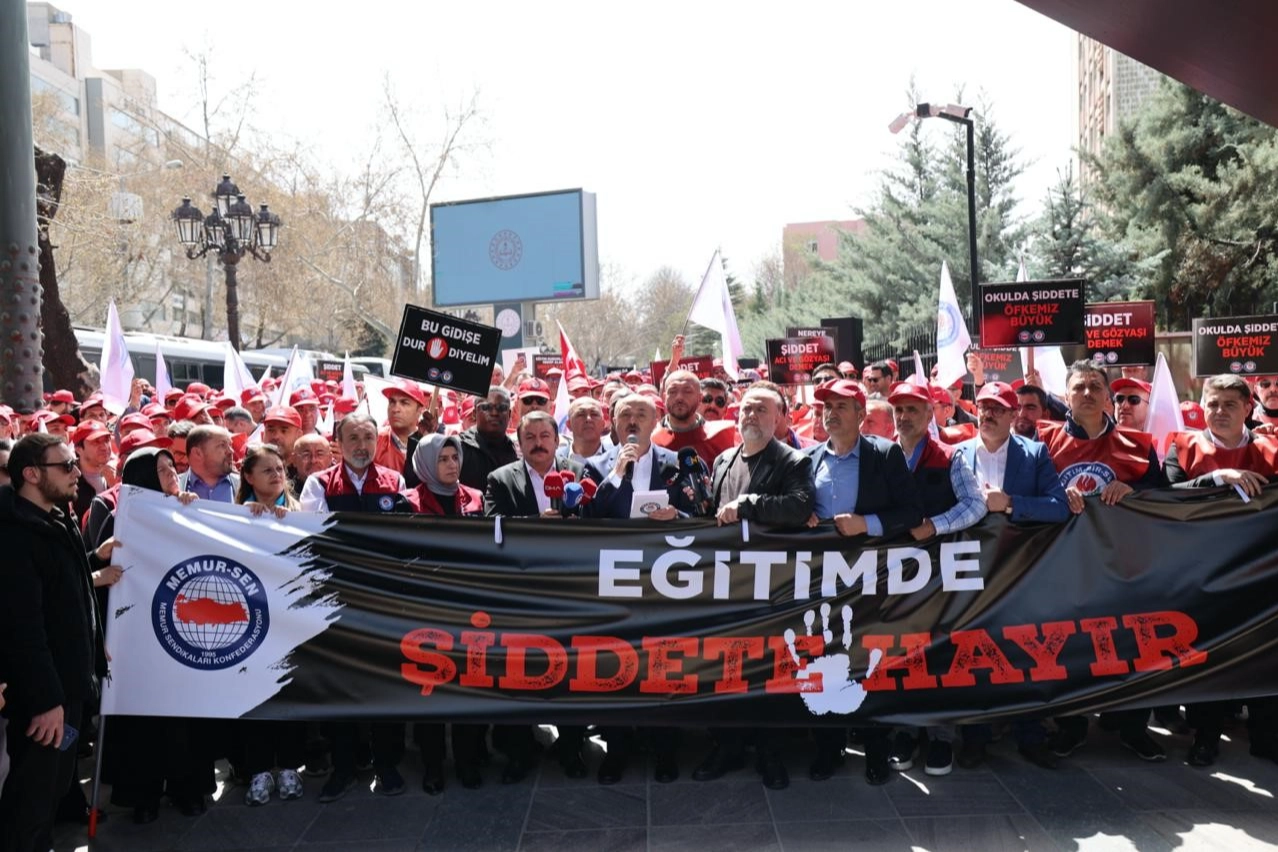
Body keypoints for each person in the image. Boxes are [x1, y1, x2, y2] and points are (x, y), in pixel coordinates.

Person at [1039, 361, 1166, 762]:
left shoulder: (1139, 445)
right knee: (1070, 648)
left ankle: (1132, 726)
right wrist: (1056, 497)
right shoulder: (1042, 442)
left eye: (1096, 386)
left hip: (1123, 565)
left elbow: (1165, 498)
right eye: (1079, 387)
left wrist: (1135, 490)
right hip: (1065, 568)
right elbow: (1027, 495)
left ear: (1108, 396)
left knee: (1133, 645)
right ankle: (1071, 726)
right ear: (1066, 395)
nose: (1088, 394)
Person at [694, 385, 814, 791]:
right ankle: (727, 746)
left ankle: (770, 753)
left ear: (779, 418)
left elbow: (799, 506)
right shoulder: (723, 460)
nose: (751, 415)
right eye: (746, 408)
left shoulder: (793, 460)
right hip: (727, 588)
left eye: (761, 409)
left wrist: (749, 505)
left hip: (772, 590)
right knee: (726, 670)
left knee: (770, 673)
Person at [804, 379, 923, 786]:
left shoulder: (884, 454)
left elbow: (912, 511)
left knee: (870, 665)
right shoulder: (810, 458)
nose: (832, 413)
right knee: (824, 662)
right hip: (821, 583)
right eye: (827, 406)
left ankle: (875, 750)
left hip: (872, 581)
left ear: (860, 415)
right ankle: (828, 748)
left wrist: (866, 524)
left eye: (841, 406)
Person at [0, 434, 110, 850]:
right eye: (65, 465)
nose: (76, 472)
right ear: (31, 474)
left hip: (70, 687)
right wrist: (47, 702)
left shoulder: (57, 518)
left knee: (55, 785)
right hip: (44, 699)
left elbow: (72, 594)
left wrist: (94, 647)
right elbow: (22, 628)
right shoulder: (13, 536)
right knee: (33, 794)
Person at [1163, 374, 1278, 766]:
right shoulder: (1182, 447)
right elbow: (1164, 499)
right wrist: (1216, 478)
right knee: (1206, 660)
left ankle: (1266, 736)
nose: (1219, 411)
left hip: (1262, 576)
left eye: (1230, 404)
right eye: (1212, 403)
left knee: (1265, 656)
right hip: (1203, 576)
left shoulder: (1273, 449)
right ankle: (1206, 737)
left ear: (1248, 407)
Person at [953, 382, 1070, 769]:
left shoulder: (1034, 454)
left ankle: (1030, 736)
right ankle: (974, 737)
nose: (987, 414)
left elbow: (1058, 507)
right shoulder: (956, 453)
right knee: (972, 656)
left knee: (1025, 654)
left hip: (1020, 573)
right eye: (983, 407)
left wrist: (1010, 504)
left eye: (997, 408)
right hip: (971, 573)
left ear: (1012, 415)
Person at [300, 413, 409, 802]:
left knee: (385, 686)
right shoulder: (319, 484)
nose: (362, 445)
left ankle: (387, 765)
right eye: (354, 438)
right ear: (338, 442)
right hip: (336, 602)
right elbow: (317, 537)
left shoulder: (395, 482)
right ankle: (343, 768)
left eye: (368, 437)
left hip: (382, 604)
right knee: (339, 687)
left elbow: (402, 538)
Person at [884, 382, 987, 776]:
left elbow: (975, 505)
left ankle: (941, 738)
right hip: (893, 577)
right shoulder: (881, 456)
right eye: (899, 410)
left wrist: (936, 525)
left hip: (941, 577)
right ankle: (905, 732)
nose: (904, 417)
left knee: (941, 655)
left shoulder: (950, 457)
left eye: (913, 409)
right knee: (897, 653)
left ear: (930, 414)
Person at [484, 411, 586, 782]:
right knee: (518, 672)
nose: (538, 443)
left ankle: (572, 747)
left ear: (558, 440)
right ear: (520, 442)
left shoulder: (580, 472)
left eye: (545, 435)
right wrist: (536, 526)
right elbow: (493, 527)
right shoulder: (500, 478)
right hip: (520, 592)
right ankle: (520, 752)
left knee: (571, 672)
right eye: (530, 437)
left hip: (571, 591)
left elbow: (602, 522)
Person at [401, 435, 486, 794]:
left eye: (455, 457)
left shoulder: (476, 498)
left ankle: (467, 762)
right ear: (425, 463)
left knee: (468, 689)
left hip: (468, 611)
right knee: (430, 692)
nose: (452, 465)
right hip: (427, 612)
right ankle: (433, 766)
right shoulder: (407, 502)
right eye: (442, 459)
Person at [652, 369, 738, 467]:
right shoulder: (650, 441)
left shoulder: (724, 435)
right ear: (664, 398)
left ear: (699, 398)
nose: (679, 397)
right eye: (673, 391)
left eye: (687, 391)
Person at [459, 387, 519, 494]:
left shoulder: (517, 452)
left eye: (501, 408)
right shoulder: (459, 448)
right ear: (474, 413)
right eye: (486, 407)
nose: (494, 413)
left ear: (509, 414)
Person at [374, 378, 426, 474]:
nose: (395, 409)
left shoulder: (429, 445)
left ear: (419, 410)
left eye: (404, 403)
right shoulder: (374, 440)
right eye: (392, 402)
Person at [179, 425, 239, 501]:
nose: (231, 451)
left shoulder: (246, 488)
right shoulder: (173, 488)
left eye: (230, 445)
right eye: (222, 445)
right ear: (197, 453)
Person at [70, 420, 114, 521]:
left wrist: (116, 486)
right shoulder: (68, 479)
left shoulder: (120, 473)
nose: (104, 447)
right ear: (78, 449)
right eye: (96, 442)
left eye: (107, 440)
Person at [557, 396, 612, 470]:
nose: (588, 419)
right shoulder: (555, 459)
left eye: (594, 414)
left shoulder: (616, 458)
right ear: (569, 424)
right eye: (581, 414)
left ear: (603, 424)